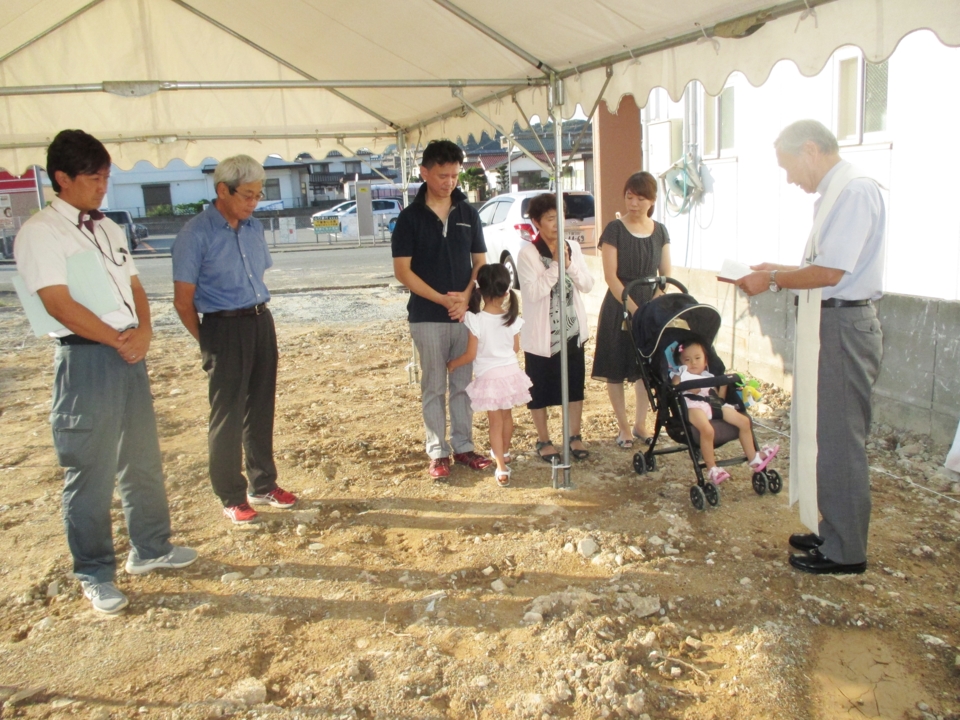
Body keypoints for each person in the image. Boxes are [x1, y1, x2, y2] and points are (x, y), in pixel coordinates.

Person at [15, 129, 196, 614]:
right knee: (89, 470)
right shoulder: (40, 232)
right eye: (94, 177)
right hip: (86, 360)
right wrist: (118, 338)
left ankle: (151, 548)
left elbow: (134, 285)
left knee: (141, 457)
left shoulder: (109, 227)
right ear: (63, 178)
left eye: (106, 176)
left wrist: (144, 331)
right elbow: (57, 304)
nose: (102, 186)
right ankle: (94, 572)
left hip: (126, 352)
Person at [736, 119, 885, 575]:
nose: (790, 179)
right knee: (823, 433)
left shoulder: (855, 191)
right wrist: (777, 267)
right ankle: (831, 527)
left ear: (811, 149)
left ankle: (846, 550)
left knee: (840, 440)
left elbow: (831, 273)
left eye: (789, 166)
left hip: (842, 324)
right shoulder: (839, 192)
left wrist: (773, 279)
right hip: (830, 322)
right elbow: (823, 264)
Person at [173, 154, 297, 524]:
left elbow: (258, 276)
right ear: (222, 190)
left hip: (260, 321)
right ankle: (230, 493)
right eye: (247, 195)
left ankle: (263, 483)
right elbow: (182, 301)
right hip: (221, 327)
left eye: (258, 195)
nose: (253, 203)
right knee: (226, 415)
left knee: (260, 406)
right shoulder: (195, 235)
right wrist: (208, 341)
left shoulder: (254, 228)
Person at [392, 140, 493, 480]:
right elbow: (403, 271)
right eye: (441, 175)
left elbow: (480, 262)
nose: (449, 182)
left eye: (454, 175)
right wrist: (442, 299)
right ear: (424, 173)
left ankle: (464, 446)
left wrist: (465, 296)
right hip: (427, 316)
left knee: (463, 383)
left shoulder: (468, 213)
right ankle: (438, 451)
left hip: (465, 314)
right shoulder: (409, 218)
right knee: (433, 384)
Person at [592, 172, 671, 449]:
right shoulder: (614, 229)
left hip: (649, 307)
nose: (634, 203)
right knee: (615, 365)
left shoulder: (660, 230)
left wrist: (653, 305)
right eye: (629, 196)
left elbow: (665, 275)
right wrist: (634, 309)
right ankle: (623, 427)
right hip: (619, 305)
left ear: (652, 200)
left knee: (644, 369)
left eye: (641, 198)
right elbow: (611, 277)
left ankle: (640, 423)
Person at [517, 193, 595, 462]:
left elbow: (587, 285)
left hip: (572, 331)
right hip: (541, 336)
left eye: (560, 216)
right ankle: (544, 439)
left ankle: (575, 435)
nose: (557, 222)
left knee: (574, 385)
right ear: (537, 222)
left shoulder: (571, 246)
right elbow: (534, 292)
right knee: (539, 389)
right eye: (550, 218)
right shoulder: (527, 254)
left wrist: (569, 264)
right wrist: (556, 266)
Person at [447, 264, 532, 486]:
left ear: (480, 291)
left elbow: (470, 354)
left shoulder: (476, 320)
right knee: (507, 418)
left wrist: (453, 364)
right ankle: (503, 454)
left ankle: (502, 468)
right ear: (506, 292)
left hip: (491, 378)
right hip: (511, 374)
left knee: (495, 423)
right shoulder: (512, 318)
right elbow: (515, 349)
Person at [670, 340, 779, 485]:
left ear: (705, 360)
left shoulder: (709, 376)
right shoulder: (680, 374)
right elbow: (674, 387)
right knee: (707, 430)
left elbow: (718, 398)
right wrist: (684, 384)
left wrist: (724, 386)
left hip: (714, 404)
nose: (693, 363)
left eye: (697, 358)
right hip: (692, 406)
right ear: (681, 363)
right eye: (687, 360)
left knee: (745, 421)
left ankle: (753, 458)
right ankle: (712, 468)